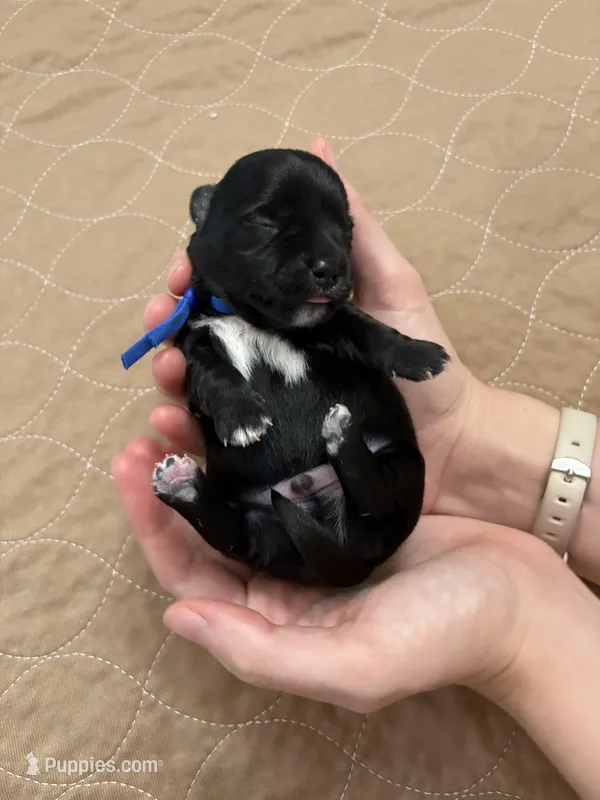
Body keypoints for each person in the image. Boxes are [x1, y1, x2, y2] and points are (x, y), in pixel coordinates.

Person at [112, 138, 600, 798]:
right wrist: (520, 615)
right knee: (251, 537)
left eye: (338, 232)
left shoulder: (326, 319)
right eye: (270, 226)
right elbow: (207, 376)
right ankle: (199, 499)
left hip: (380, 494)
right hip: (278, 520)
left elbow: (358, 333)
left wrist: (409, 363)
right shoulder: (203, 330)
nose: (326, 260)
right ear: (206, 219)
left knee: (377, 477)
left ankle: (293, 469)